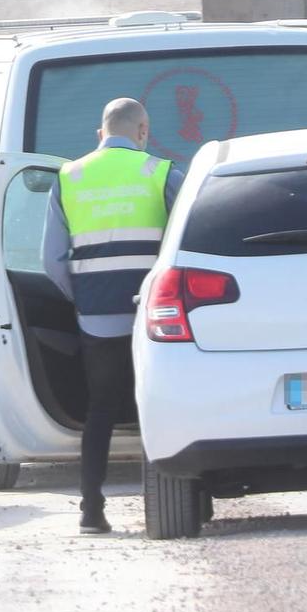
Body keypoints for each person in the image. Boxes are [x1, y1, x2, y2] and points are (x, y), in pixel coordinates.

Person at [41, 97, 183, 535]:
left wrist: (83, 298)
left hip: (96, 314)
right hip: (156, 317)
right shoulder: (162, 173)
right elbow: (186, 246)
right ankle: (169, 507)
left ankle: (91, 511)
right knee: (159, 410)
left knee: (100, 409)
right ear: (143, 132)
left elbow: (50, 262)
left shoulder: (69, 177)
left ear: (100, 133)